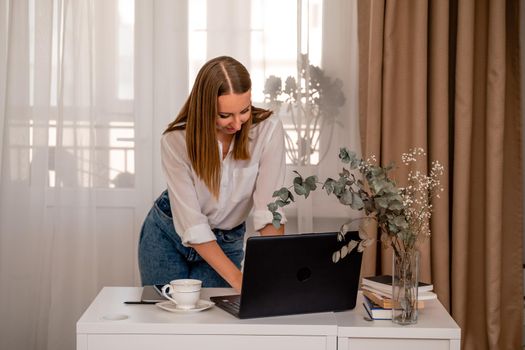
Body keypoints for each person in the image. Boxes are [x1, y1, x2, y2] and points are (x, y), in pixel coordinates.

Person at [138, 56, 286, 292]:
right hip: (167, 235)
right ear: (204, 108)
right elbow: (193, 224)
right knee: (165, 321)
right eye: (225, 115)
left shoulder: (268, 131)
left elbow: (269, 211)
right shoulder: (176, 140)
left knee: (213, 323)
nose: (237, 125)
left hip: (226, 241)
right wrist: (240, 281)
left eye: (244, 111)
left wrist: (272, 271)